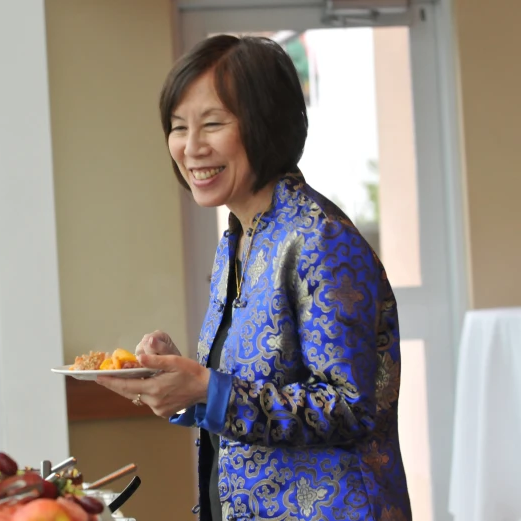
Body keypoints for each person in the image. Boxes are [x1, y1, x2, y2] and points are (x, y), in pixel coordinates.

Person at [96, 34, 412, 521]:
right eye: (178, 127)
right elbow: (249, 394)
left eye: (213, 124)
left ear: (266, 124)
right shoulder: (238, 238)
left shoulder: (318, 238)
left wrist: (207, 389)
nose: (191, 147)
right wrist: (179, 385)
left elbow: (351, 406)